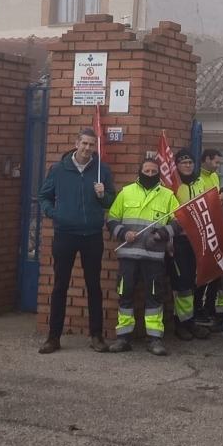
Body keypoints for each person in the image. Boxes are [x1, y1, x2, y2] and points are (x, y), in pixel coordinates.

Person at [38, 128, 116, 354]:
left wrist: (103, 195)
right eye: (84, 144)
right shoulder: (59, 169)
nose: (87, 148)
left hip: (92, 235)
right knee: (60, 285)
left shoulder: (102, 170)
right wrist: (54, 213)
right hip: (65, 234)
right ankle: (53, 337)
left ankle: (96, 336)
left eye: (91, 145)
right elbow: (44, 196)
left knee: (94, 286)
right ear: (76, 143)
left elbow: (111, 201)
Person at [106, 157, 180, 356]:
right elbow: (112, 218)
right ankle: (123, 338)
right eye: (146, 171)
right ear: (140, 172)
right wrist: (123, 233)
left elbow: (179, 222)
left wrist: (162, 234)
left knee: (155, 297)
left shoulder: (168, 195)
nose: (149, 174)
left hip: (154, 256)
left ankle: (154, 339)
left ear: (158, 173)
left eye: (153, 171)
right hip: (128, 256)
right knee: (125, 294)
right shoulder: (126, 192)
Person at [169, 148, 210, 341]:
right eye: (183, 162)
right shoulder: (173, 185)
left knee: (195, 281)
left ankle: (191, 320)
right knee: (183, 282)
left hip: (199, 238)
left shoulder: (200, 182)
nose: (187, 165)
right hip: (180, 240)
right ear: (176, 165)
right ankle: (181, 324)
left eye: (190, 162)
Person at [194, 148, 223, 327]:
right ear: (206, 159)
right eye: (216, 162)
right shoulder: (197, 178)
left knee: (216, 271)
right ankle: (198, 307)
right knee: (202, 272)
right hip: (201, 230)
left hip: (214, 226)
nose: (218, 166)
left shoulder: (214, 177)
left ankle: (209, 307)